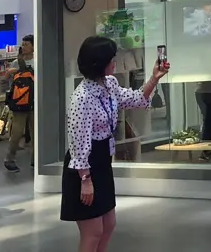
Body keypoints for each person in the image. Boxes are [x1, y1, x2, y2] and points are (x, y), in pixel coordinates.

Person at [62, 36, 170, 252]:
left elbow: (135, 99)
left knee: (108, 225)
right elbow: (78, 143)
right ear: (98, 63)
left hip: (102, 162)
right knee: (93, 232)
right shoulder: (82, 98)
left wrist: (154, 78)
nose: (115, 62)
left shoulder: (109, 83)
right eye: (111, 59)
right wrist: (85, 179)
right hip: (85, 167)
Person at [5, 34, 35, 172]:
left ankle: (36, 159)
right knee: (16, 133)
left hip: (34, 102)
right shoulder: (16, 62)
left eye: (27, 44)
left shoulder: (37, 61)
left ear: (34, 46)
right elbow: (10, 82)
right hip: (20, 103)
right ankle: (9, 158)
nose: (24, 47)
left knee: (36, 133)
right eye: (22, 44)